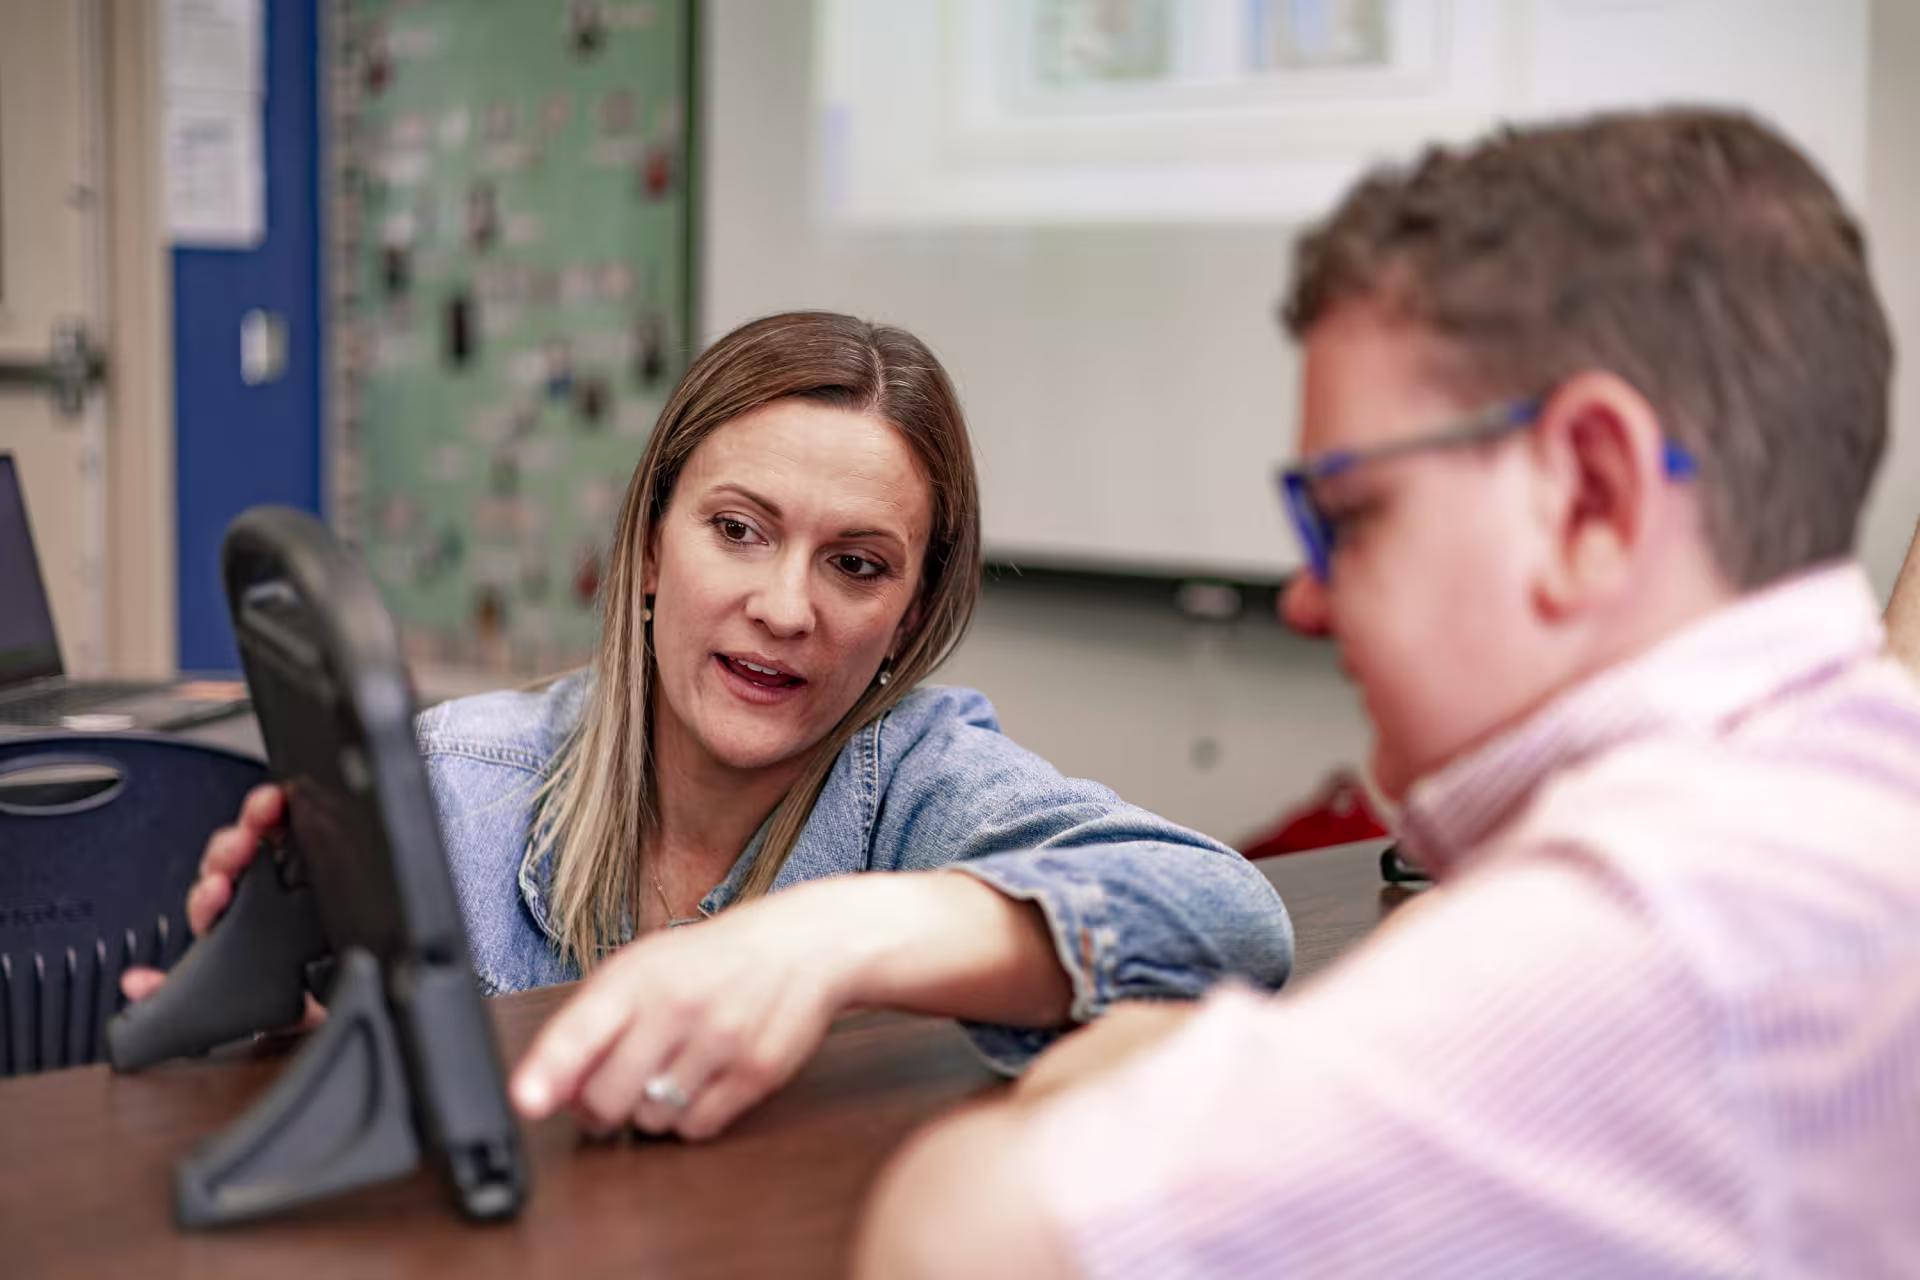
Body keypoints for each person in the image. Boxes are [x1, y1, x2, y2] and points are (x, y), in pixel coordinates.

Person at [855, 109, 1920, 1277]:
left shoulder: (1645, 932)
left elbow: (956, 1233)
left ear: (1594, 493)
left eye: (1349, 516)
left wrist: (1130, 1072)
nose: (1307, 600)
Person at [125, 310, 1292, 1142]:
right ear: (646, 545)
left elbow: (1229, 920)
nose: (785, 607)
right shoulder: (459, 774)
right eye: (738, 529)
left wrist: (832, 937)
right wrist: (299, 1018)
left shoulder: (922, 777)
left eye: (856, 563)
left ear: (911, 613)